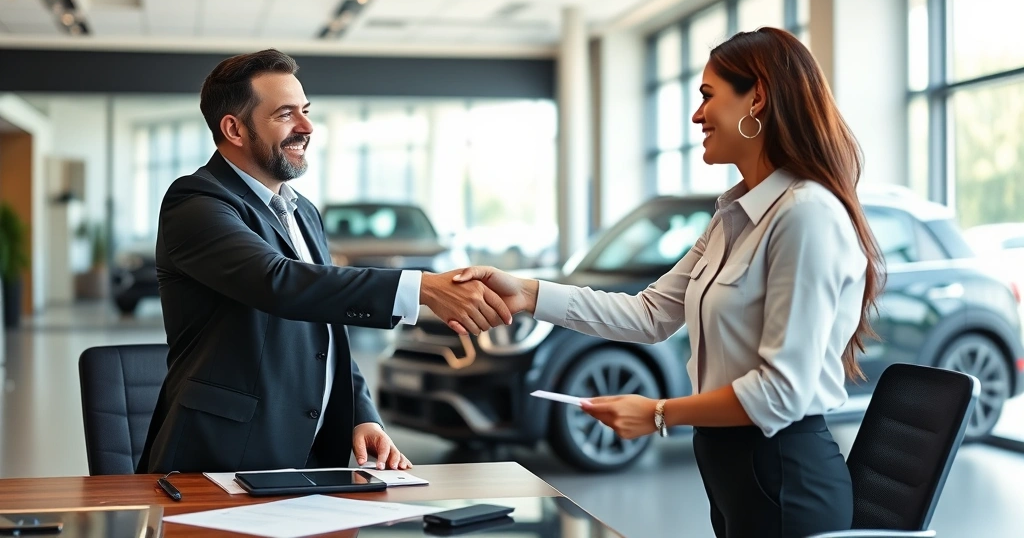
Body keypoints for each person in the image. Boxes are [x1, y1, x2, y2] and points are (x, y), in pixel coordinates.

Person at [452, 27, 883, 538]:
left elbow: (781, 393)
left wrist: (658, 414)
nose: (698, 115)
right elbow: (650, 314)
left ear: (758, 98)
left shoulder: (806, 215)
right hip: (732, 470)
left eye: (707, 96)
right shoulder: (733, 216)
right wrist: (527, 293)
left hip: (783, 475)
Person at [137, 49, 512, 474]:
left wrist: (361, 412)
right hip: (222, 456)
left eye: (306, 111)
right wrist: (422, 288)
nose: (307, 127)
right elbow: (277, 282)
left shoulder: (303, 211)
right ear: (234, 129)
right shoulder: (197, 203)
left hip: (311, 453)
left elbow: (325, 325)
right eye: (285, 114)